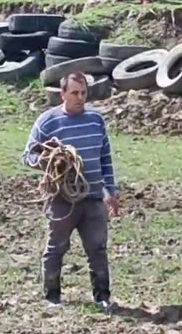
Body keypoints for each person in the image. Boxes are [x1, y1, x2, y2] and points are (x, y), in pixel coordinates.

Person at [22, 72, 122, 310]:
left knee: (97, 249)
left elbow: (105, 157)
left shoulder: (96, 120)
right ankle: (52, 296)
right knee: (56, 247)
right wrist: (49, 160)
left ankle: (102, 297)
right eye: (74, 93)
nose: (80, 98)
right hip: (62, 199)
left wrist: (111, 190)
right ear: (63, 93)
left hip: (94, 197)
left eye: (83, 93)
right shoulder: (48, 121)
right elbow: (28, 156)